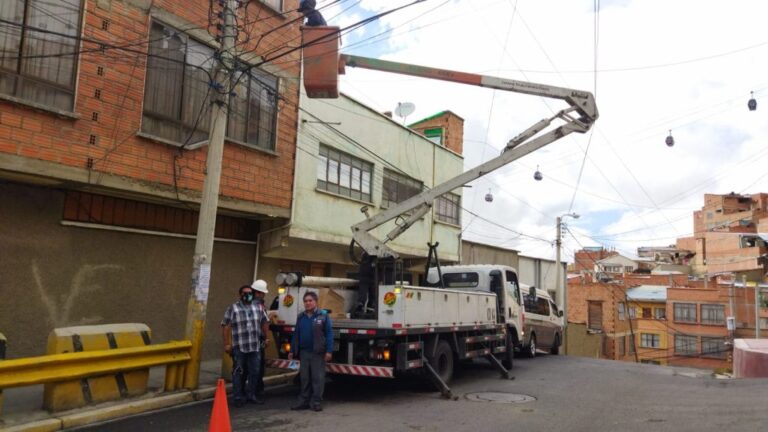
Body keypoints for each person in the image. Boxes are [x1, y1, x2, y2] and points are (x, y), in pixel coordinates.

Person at [221, 282, 270, 407]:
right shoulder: (233, 308)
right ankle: (238, 397)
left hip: (255, 347)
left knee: (255, 372)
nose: (248, 295)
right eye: (245, 293)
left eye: (250, 293)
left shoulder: (258, 307)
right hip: (239, 347)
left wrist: (266, 337)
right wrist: (227, 344)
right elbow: (226, 326)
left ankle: (251, 395)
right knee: (238, 372)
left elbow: (265, 322)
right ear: (240, 295)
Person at [288, 291, 333, 412]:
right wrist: (292, 350)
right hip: (304, 353)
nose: (307, 303)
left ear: (316, 302)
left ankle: (316, 402)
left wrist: (329, 351)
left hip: (317, 353)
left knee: (317, 378)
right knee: (305, 378)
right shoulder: (301, 317)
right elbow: (296, 334)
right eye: (305, 301)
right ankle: (303, 401)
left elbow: (329, 334)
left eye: (310, 301)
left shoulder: (323, 316)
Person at [252, 280, 270, 400]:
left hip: (254, 340)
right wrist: (266, 337)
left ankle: (254, 390)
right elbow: (264, 322)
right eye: (262, 293)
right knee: (257, 366)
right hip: (257, 340)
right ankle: (256, 390)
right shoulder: (257, 305)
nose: (263, 295)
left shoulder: (256, 304)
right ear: (257, 293)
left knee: (255, 366)